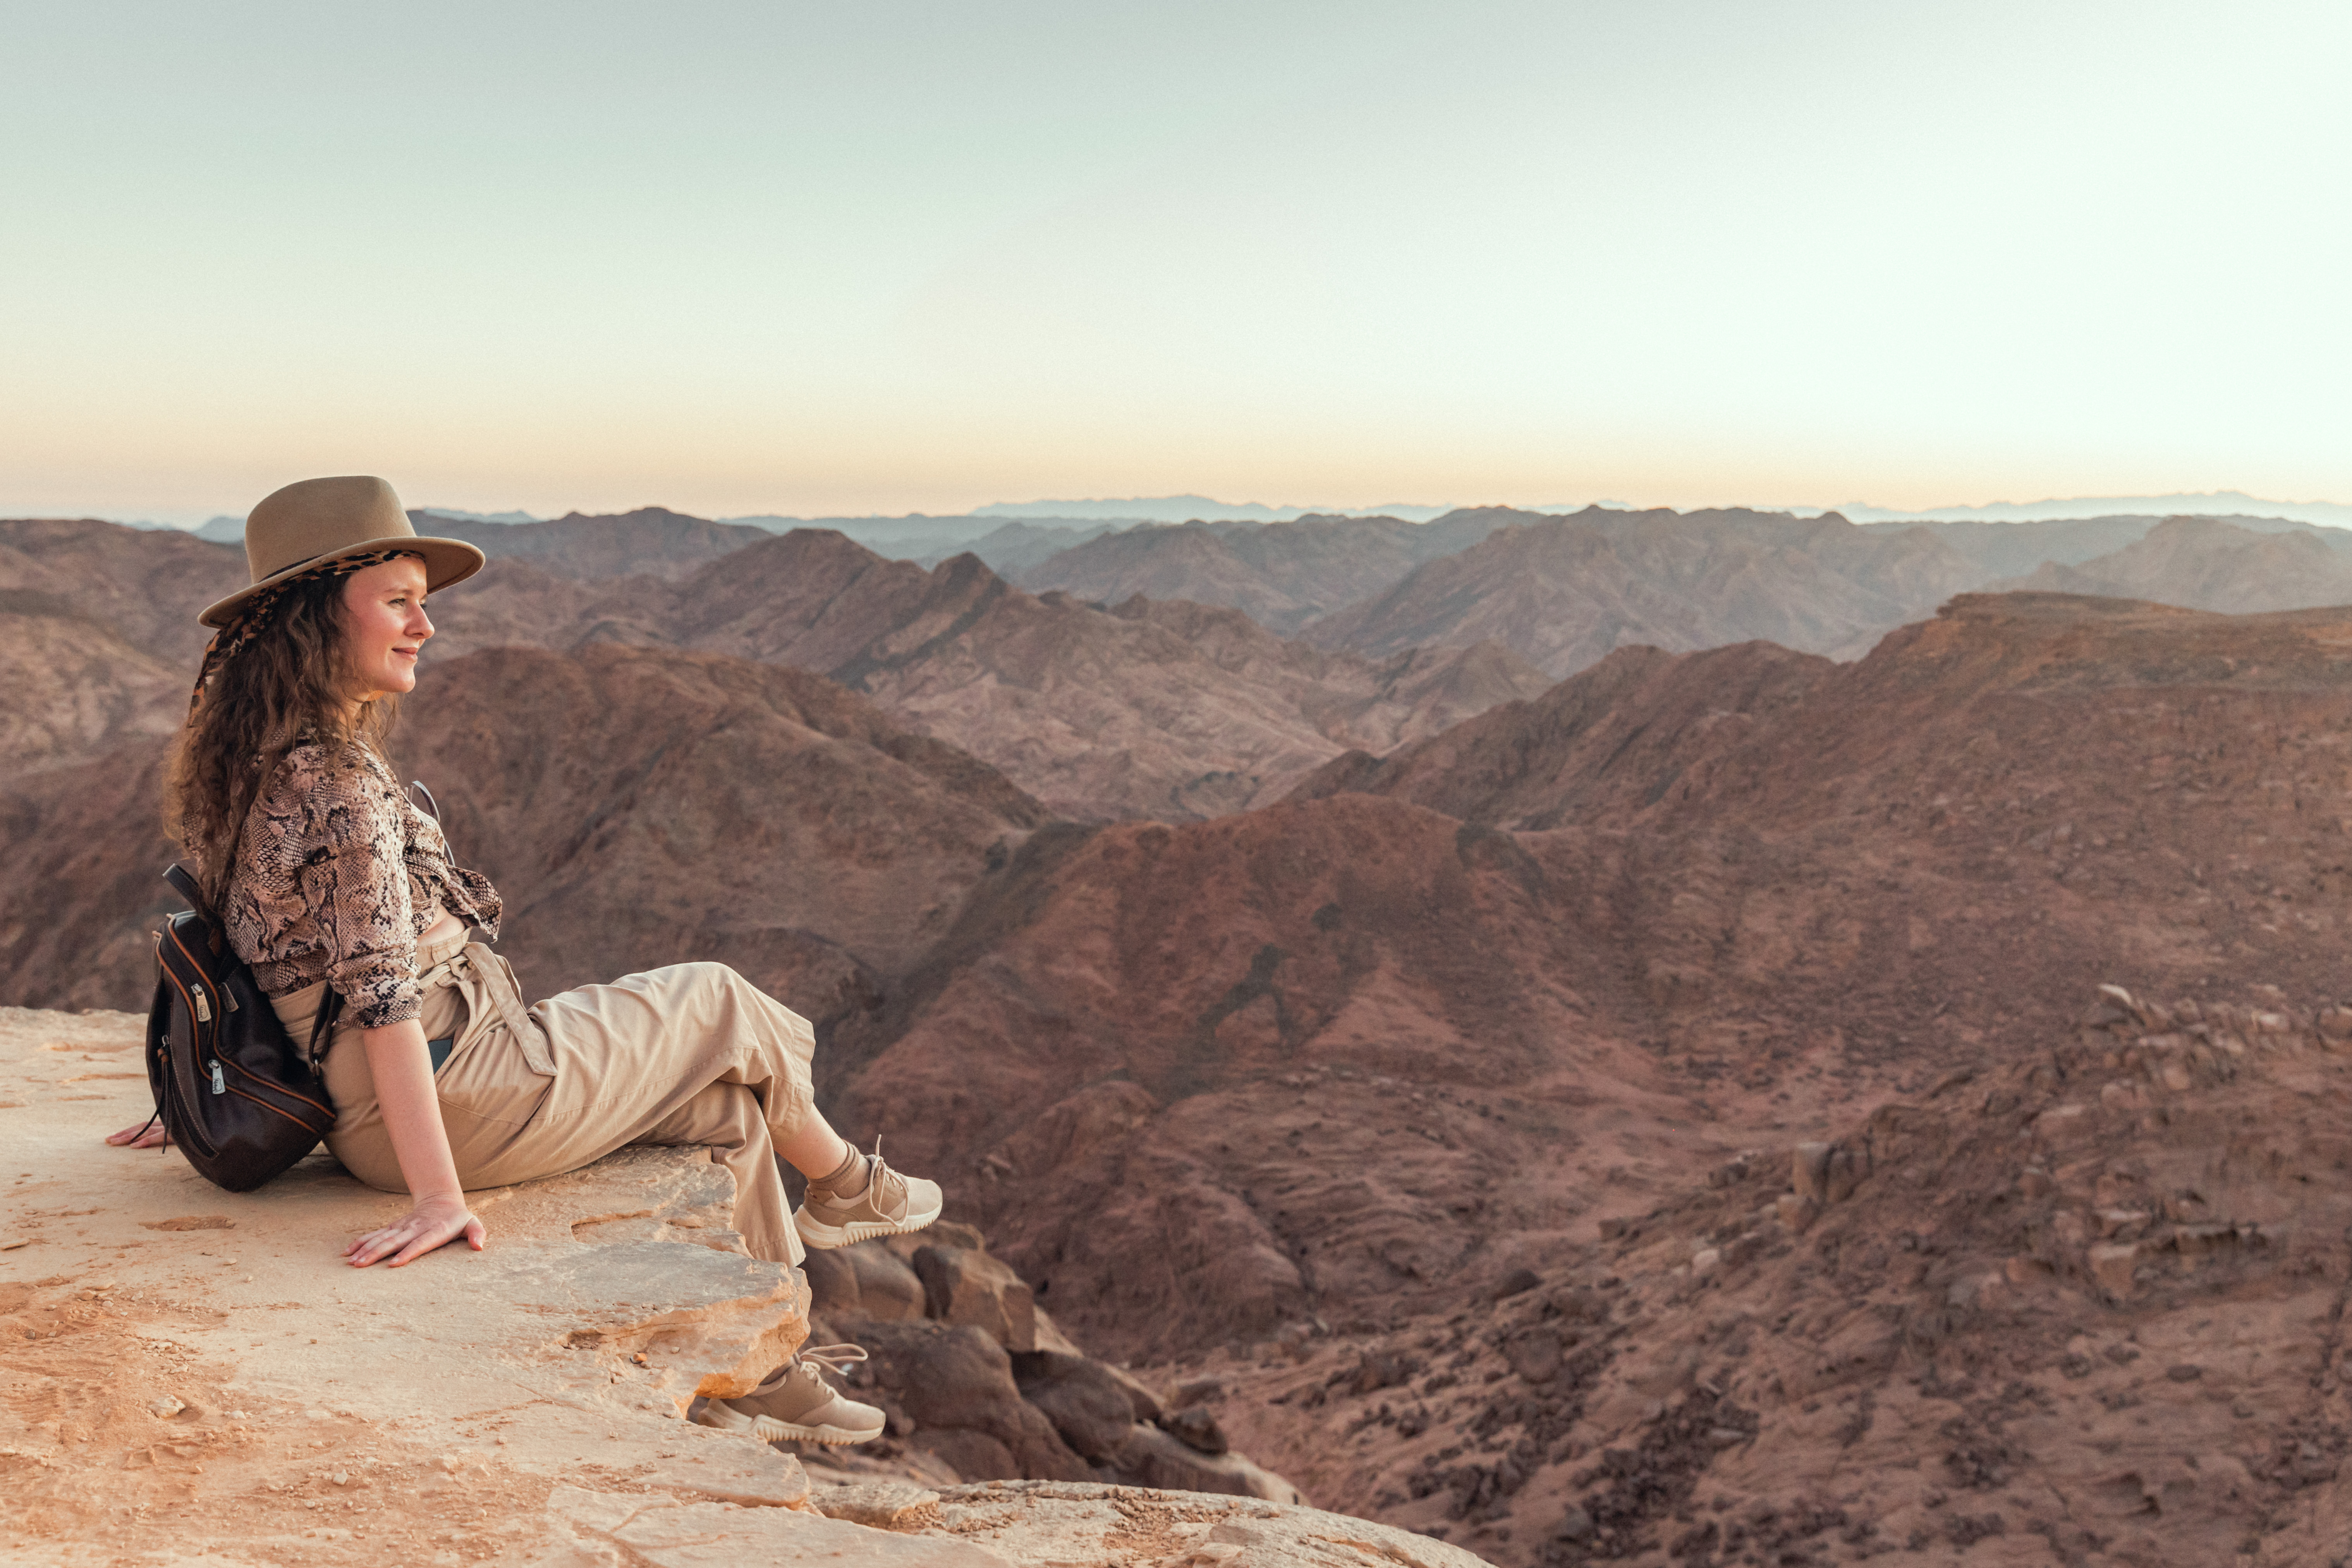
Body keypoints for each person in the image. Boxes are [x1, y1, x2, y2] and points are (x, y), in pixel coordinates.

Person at [106, 475, 930, 1446]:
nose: (425, 627)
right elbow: (382, 1000)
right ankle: (847, 1187)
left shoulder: (262, 756)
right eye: (398, 602)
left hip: (419, 1086)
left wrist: (199, 1093)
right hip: (459, 1087)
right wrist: (437, 1199)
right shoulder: (334, 781)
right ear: (314, 618)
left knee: (726, 1110)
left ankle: (766, 1371)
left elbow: (240, 945)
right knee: (722, 1000)